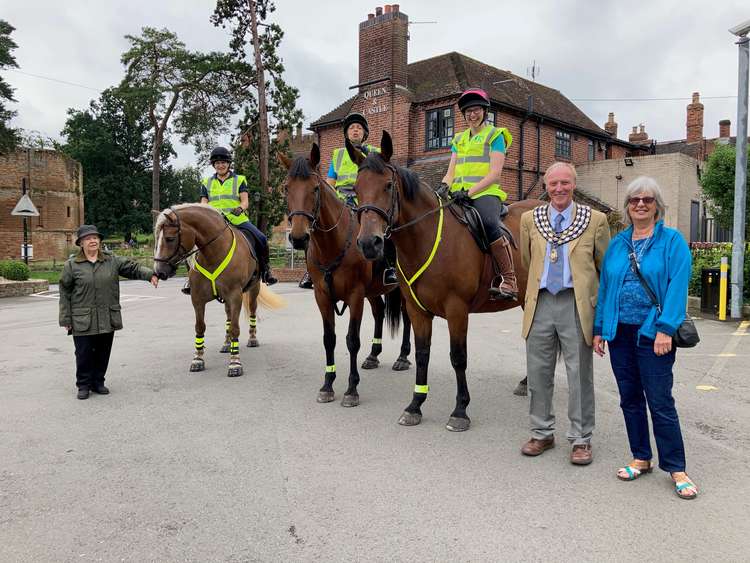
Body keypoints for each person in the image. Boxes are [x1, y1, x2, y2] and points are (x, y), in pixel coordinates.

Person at [593, 177, 697, 499]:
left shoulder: (671, 242)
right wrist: (600, 329)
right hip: (620, 333)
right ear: (627, 206)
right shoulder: (619, 243)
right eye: (634, 200)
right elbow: (607, 288)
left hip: (653, 334)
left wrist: (665, 328)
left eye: (647, 200)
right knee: (630, 399)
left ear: (657, 206)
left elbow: (678, 287)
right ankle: (641, 457)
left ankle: (676, 466)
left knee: (660, 401)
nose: (640, 204)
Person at [519, 162, 610, 465]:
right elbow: (526, 260)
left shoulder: (594, 220)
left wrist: (602, 318)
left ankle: (581, 439)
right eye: (553, 183)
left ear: (574, 184)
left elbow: (603, 267)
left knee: (579, 374)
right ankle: (542, 432)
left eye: (565, 183)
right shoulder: (530, 220)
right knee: (538, 373)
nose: (559, 189)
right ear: (545, 185)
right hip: (542, 302)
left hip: (576, 304)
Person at [59, 225, 159, 400]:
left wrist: (149, 274)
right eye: (88, 238)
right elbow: (65, 292)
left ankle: (98, 382)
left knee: (103, 352)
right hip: (83, 319)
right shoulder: (72, 265)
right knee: (83, 354)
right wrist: (65, 318)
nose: (93, 241)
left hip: (107, 316)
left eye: (95, 238)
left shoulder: (111, 260)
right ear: (81, 243)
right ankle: (83, 385)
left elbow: (132, 268)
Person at [441, 88, 517, 299]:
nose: (472, 115)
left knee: (489, 222)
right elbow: (451, 171)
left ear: (484, 111)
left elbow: (495, 173)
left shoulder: (496, 135)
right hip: (458, 195)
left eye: (475, 110)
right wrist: (444, 186)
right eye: (468, 112)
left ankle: (509, 280)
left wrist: (469, 192)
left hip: (485, 193)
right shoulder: (458, 139)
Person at [182, 146, 277, 294]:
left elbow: (245, 201)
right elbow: (203, 203)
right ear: (213, 165)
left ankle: (266, 271)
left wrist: (241, 208)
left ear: (228, 164)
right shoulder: (206, 183)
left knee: (261, 238)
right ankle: (191, 278)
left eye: (223, 162)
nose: (220, 165)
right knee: (190, 244)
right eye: (217, 163)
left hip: (237, 220)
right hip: (213, 222)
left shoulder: (239, 180)